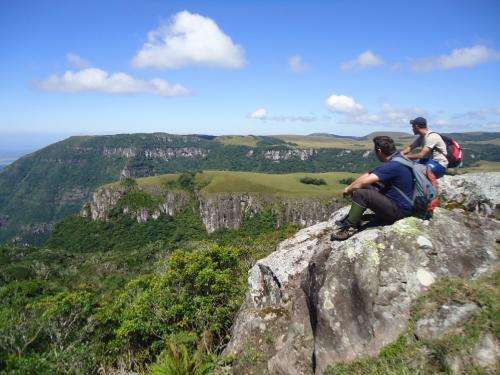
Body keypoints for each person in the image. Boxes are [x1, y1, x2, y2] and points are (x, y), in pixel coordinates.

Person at [330, 136, 413, 241]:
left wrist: (348, 190)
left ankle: (350, 227)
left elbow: (363, 183)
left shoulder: (392, 166)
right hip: (405, 205)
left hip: (400, 211)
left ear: (379, 150)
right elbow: (369, 174)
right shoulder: (398, 159)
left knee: (361, 194)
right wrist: (350, 187)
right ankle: (355, 217)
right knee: (366, 186)